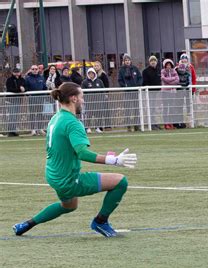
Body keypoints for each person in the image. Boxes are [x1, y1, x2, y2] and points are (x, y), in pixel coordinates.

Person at [12, 82, 137, 237]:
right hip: (68, 180)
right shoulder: (72, 123)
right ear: (73, 99)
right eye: (81, 97)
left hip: (53, 175)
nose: (83, 101)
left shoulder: (56, 118)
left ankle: (26, 224)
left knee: (69, 206)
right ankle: (100, 222)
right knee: (120, 182)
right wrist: (114, 160)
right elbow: (82, 153)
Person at [25, 64, 47, 136]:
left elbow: (44, 87)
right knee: (32, 114)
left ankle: (40, 129)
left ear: (38, 70)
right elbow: (26, 88)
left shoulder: (41, 77)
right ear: (31, 70)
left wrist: (45, 94)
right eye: (33, 69)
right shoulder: (27, 78)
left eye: (36, 69)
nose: (35, 70)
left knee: (40, 113)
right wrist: (29, 94)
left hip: (40, 98)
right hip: (32, 98)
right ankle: (33, 130)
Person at [142, 55, 162, 130]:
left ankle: (155, 123)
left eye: (154, 61)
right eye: (151, 61)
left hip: (157, 92)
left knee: (154, 108)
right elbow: (145, 82)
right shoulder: (145, 71)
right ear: (149, 62)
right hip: (149, 93)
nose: (153, 62)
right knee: (151, 108)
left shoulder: (158, 70)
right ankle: (151, 124)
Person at [5, 68, 26, 136]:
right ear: (13, 72)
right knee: (12, 116)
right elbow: (10, 89)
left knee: (16, 116)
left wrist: (24, 89)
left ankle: (13, 130)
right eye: (15, 72)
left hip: (18, 100)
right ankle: (11, 131)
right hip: (11, 100)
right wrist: (19, 90)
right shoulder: (9, 80)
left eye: (18, 72)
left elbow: (25, 87)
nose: (17, 73)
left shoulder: (22, 79)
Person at [161, 58, 180, 130]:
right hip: (165, 92)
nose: (168, 66)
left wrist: (169, 82)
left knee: (172, 108)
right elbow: (163, 79)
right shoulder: (163, 71)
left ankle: (171, 123)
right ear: (165, 66)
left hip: (172, 92)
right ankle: (166, 124)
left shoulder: (174, 71)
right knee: (165, 108)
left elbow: (177, 80)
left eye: (169, 65)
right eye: (167, 65)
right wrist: (172, 79)